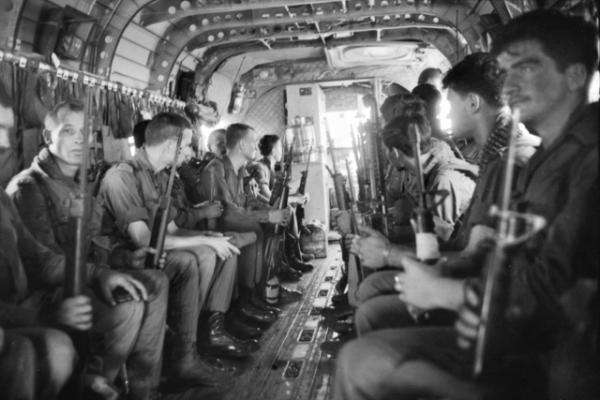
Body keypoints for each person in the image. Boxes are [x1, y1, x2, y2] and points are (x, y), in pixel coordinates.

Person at [335, 10, 599, 399]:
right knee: (364, 353)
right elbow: (492, 253)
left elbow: (552, 291)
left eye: (526, 67)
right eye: (506, 71)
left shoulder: (577, 160)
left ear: (575, 75)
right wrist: (433, 273)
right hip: (505, 324)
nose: (509, 85)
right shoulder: (538, 156)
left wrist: (436, 288)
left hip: (550, 351)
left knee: (364, 359)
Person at [353, 52, 541, 335]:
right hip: (482, 281)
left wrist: (389, 253)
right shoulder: (499, 154)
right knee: (372, 290)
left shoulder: (504, 164)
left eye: (450, 102)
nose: (445, 114)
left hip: (493, 307)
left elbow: (472, 261)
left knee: (371, 313)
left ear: (474, 103)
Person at [5, 100, 171, 399]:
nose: (81, 139)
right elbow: (41, 264)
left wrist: (123, 258)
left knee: (153, 281)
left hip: (79, 278)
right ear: (48, 137)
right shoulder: (27, 188)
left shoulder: (81, 186)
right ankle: (96, 381)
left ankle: (141, 387)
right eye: (69, 131)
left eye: (86, 132)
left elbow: (91, 246)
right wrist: (98, 274)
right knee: (128, 306)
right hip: (47, 293)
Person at [99, 112, 253, 377]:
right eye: (186, 146)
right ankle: (181, 342)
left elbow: (172, 230)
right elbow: (144, 241)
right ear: (171, 145)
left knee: (209, 250)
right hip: (124, 260)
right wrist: (203, 240)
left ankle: (186, 340)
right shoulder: (122, 176)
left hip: (153, 254)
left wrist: (209, 239)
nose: (190, 152)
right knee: (195, 258)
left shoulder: (160, 177)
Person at [198, 123, 296, 312]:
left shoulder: (241, 170)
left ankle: (260, 292)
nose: (256, 147)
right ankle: (245, 301)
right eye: (253, 143)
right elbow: (226, 213)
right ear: (242, 145)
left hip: (236, 221)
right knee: (255, 230)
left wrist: (272, 210)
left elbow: (250, 201)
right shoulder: (215, 169)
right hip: (215, 229)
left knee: (271, 229)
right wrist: (268, 216)